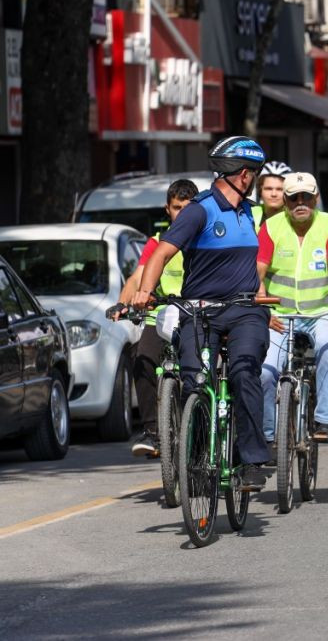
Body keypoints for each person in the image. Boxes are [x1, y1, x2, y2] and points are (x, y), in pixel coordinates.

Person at [130, 136, 273, 491]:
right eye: (253, 173)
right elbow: (160, 254)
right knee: (194, 380)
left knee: (243, 372)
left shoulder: (252, 211)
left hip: (244, 311)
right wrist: (145, 292)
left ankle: (251, 459)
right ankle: (195, 458)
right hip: (199, 311)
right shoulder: (199, 209)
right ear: (243, 174)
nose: (253, 178)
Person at [258, 172, 328, 445]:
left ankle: (325, 420)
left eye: (306, 197)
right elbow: (258, 271)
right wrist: (264, 309)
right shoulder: (272, 227)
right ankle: (268, 434)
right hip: (279, 315)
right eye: (293, 198)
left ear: (316, 198)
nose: (300, 203)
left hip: (319, 312)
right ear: (285, 201)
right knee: (264, 372)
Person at [114, 178, 198, 457]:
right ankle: (153, 431)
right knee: (143, 360)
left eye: (188, 208)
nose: (182, 214)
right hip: (161, 315)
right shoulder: (157, 243)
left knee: (200, 370)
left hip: (197, 315)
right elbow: (137, 277)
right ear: (167, 209)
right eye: (177, 208)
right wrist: (122, 303)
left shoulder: (207, 239)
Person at [252, 160, 292, 227]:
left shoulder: (295, 219)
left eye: (279, 189)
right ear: (260, 190)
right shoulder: (249, 215)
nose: (274, 194)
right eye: (268, 189)